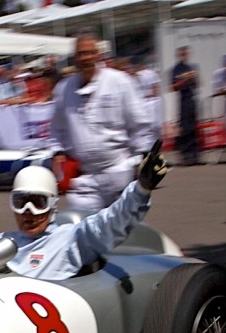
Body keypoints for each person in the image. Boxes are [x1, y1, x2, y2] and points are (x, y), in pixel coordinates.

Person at [0, 143, 169, 279]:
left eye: (38, 203)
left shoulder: (70, 240)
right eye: (20, 203)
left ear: (52, 205)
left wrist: (141, 189)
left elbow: (110, 222)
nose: (28, 212)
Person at [51, 33, 153, 213]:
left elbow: (139, 123)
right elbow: (57, 128)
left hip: (120, 170)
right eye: (81, 53)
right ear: (74, 58)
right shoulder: (63, 89)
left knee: (123, 228)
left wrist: (142, 158)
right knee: (79, 225)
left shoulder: (119, 82)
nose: (85, 58)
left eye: (90, 53)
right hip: (86, 176)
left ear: (98, 54)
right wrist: (58, 151)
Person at [170, 46, 201, 165]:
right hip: (183, 100)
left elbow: (197, 84)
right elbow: (173, 87)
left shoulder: (191, 67)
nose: (184, 55)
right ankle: (185, 155)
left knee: (193, 127)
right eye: (182, 53)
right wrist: (185, 79)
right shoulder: (176, 69)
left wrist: (194, 78)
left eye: (186, 53)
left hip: (192, 99)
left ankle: (195, 155)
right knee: (185, 128)